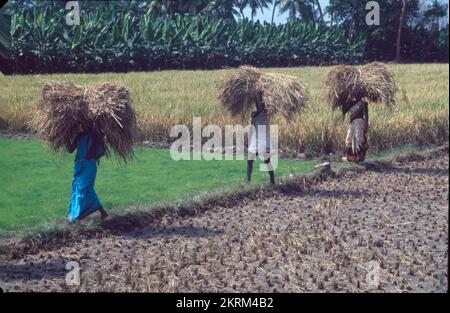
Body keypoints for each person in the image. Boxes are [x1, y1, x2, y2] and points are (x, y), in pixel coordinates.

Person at [67, 129, 109, 223]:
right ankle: (102, 211)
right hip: (79, 165)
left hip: (88, 165)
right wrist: (67, 136)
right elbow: (70, 150)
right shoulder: (79, 135)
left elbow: (92, 151)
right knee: (78, 188)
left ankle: (79, 215)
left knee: (84, 188)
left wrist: (85, 159)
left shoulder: (95, 135)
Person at [247, 94, 275, 185]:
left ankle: (272, 180)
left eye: (259, 102)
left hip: (264, 139)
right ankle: (248, 181)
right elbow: (252, 124)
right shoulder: (254, 114)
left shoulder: (267, 112)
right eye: (256, 103)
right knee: (250, 160)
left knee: (267, 161)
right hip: (256, 139)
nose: (257, 104)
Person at [344, 98, 369, 163]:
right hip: (352, 123)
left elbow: (366, 116)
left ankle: (359, 157)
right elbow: (345, 111)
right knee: (348, 140)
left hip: (359, 122)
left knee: (359, 140)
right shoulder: (350, 103)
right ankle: (351, 157)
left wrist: (366, 125)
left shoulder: (363, 104)